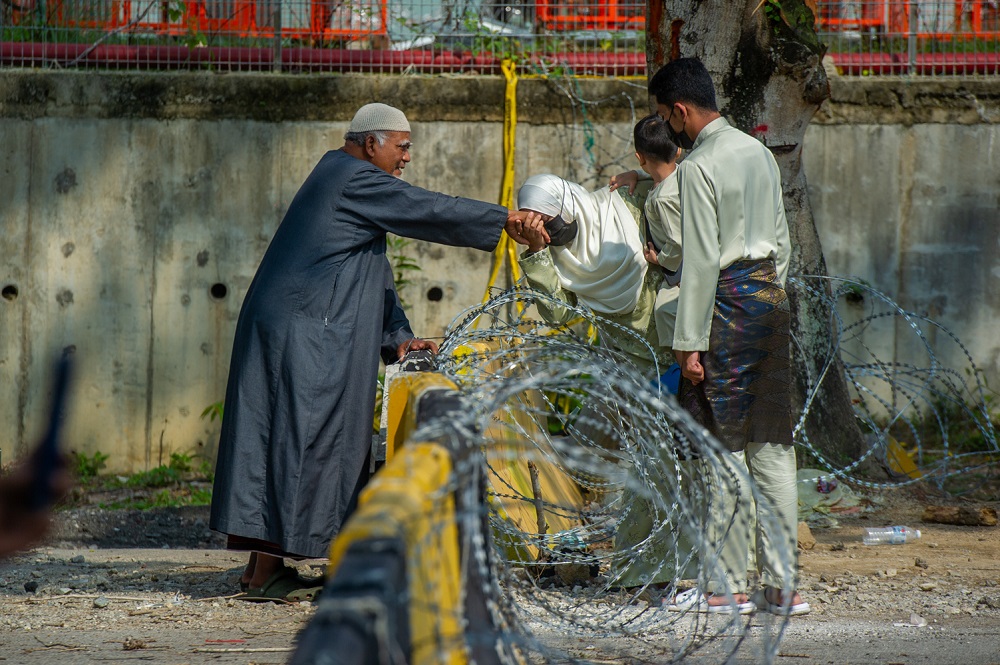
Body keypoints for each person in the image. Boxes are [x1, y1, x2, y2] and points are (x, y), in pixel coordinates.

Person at [210, 103, 534, 601]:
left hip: (297, 326)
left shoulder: (341, 177)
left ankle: (262, 571)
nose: (407, 157)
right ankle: (270, 572)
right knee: (302, 439)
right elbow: (427, 208)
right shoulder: (354, 178)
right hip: (305, 332)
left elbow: (369, 272)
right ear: (370, 143)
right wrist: (504, 220)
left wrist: (398, 336)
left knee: (282, 439)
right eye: (401, 146)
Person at [649, 58, 809, 616]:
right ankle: (781, 586)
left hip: (727, 306)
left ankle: (727, 585)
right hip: (771, 299)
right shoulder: (758, 152)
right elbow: (784, 241)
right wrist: (770, 294)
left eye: (666, 118)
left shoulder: (698, 167)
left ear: (680, 111)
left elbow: (699, 263)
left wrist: (689, 341)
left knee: (724, 447)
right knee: (773, 446)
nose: (668, 128)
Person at [515, 174, 685, 594]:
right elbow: (556, 314)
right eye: (544, 230)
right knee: (644, 470)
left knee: (671, 467)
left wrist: (642, 176)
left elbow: (675, 181)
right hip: (626, 364)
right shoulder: (561, 256)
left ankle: (668, 570)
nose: (554, 234)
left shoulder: (624, 204)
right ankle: (643, 572)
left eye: (553, 225)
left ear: (569, 203)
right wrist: (537, 252)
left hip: (676, 349)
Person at [610, 114, 683, 378]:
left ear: (639, 156)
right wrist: (636, 174)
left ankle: (683, 367)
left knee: (665, 312)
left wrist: (659, 259)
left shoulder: (661, 198)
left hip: (679, 275)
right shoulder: (684, 176)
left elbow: (679, 242)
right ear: (679, 149)